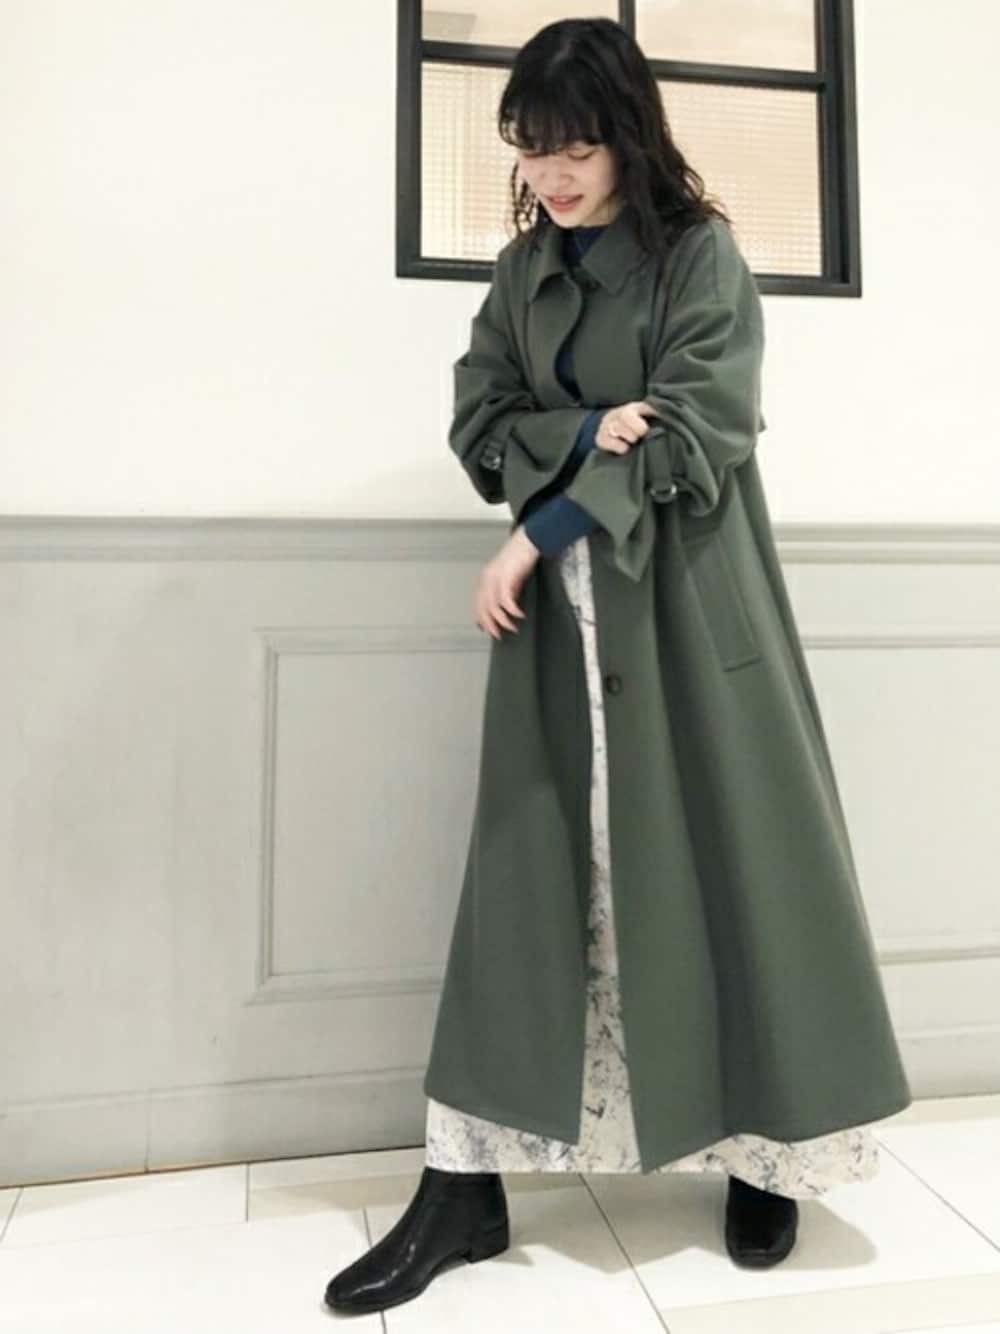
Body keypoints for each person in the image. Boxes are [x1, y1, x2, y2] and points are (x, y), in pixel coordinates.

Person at [325, 16, 910, 1316]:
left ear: (629, 137)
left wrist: (537, 529)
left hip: (689, 616)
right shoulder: (520, 271)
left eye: (576, 148)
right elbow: (481, 424)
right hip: (557, 636)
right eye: (530, 149)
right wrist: (588, 426)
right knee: (532, 883)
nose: (551, 174)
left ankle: (763, 1155)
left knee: (734, 872)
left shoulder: (701, 257)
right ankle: (463, 1185)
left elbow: (702, 428)